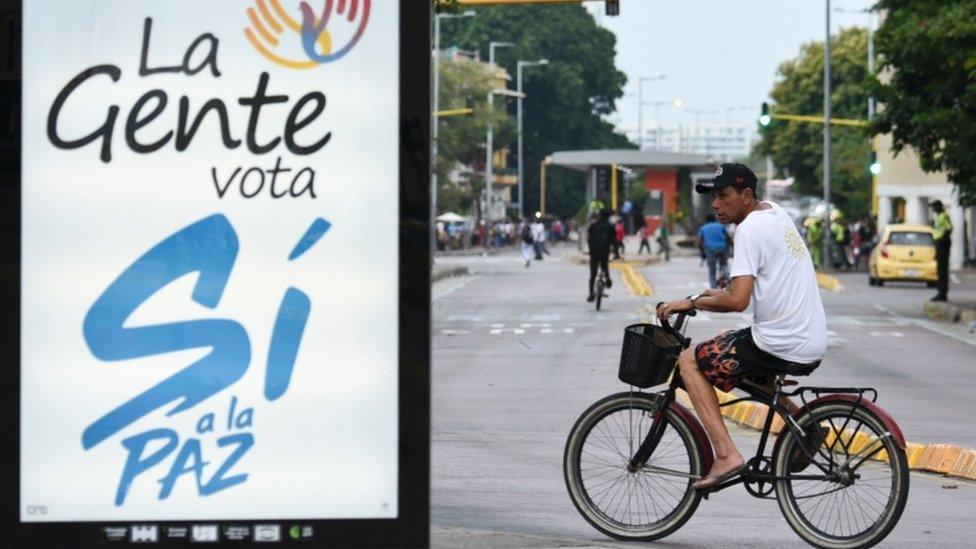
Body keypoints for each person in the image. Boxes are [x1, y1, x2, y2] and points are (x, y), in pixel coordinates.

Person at [656, 163, 826, 489]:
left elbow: (738, 301)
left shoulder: (747, 229)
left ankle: (726, 455)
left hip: (781, 340)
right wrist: (713, 295)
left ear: (747, 196)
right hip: (807, 337)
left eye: (724, 196)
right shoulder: (774, 212)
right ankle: (804, 424)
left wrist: (690, 303)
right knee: (734, 357)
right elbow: (749, 286)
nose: (716, 204)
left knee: (690, 360)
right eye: (713, 197)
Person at [587, 211, 614, 302]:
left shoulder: (593, 226)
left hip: (594, 252)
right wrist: (614, 250)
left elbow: (589, 239)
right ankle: (608, 279)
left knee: (593, 274)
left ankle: (591, 294)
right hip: (605, 251)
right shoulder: (610, 227)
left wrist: (590, 250)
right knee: (605, 266)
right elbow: (613, 240)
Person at [698, 214, 731, 289]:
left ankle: (713, 289)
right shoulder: (720, 226)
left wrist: (702, 253)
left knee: (712, 271)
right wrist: (730, 248)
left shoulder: (703, 228)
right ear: (714, 219)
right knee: (724, 265)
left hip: (711, 250)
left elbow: (700, 242)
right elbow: (727, 237)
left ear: (706, 221)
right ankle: (728, 281)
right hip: (722, 249)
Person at [931, 200, 953, 302]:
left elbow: (949, 228)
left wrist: (942, 240)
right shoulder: (938, 217)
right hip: (939, 244)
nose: (933, 209)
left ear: (939, 207)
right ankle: (940, 292)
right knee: (940, 269)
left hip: (943, 244)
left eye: (934, 207)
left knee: (943, 270)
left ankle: (942, 294)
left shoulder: (944, 216)